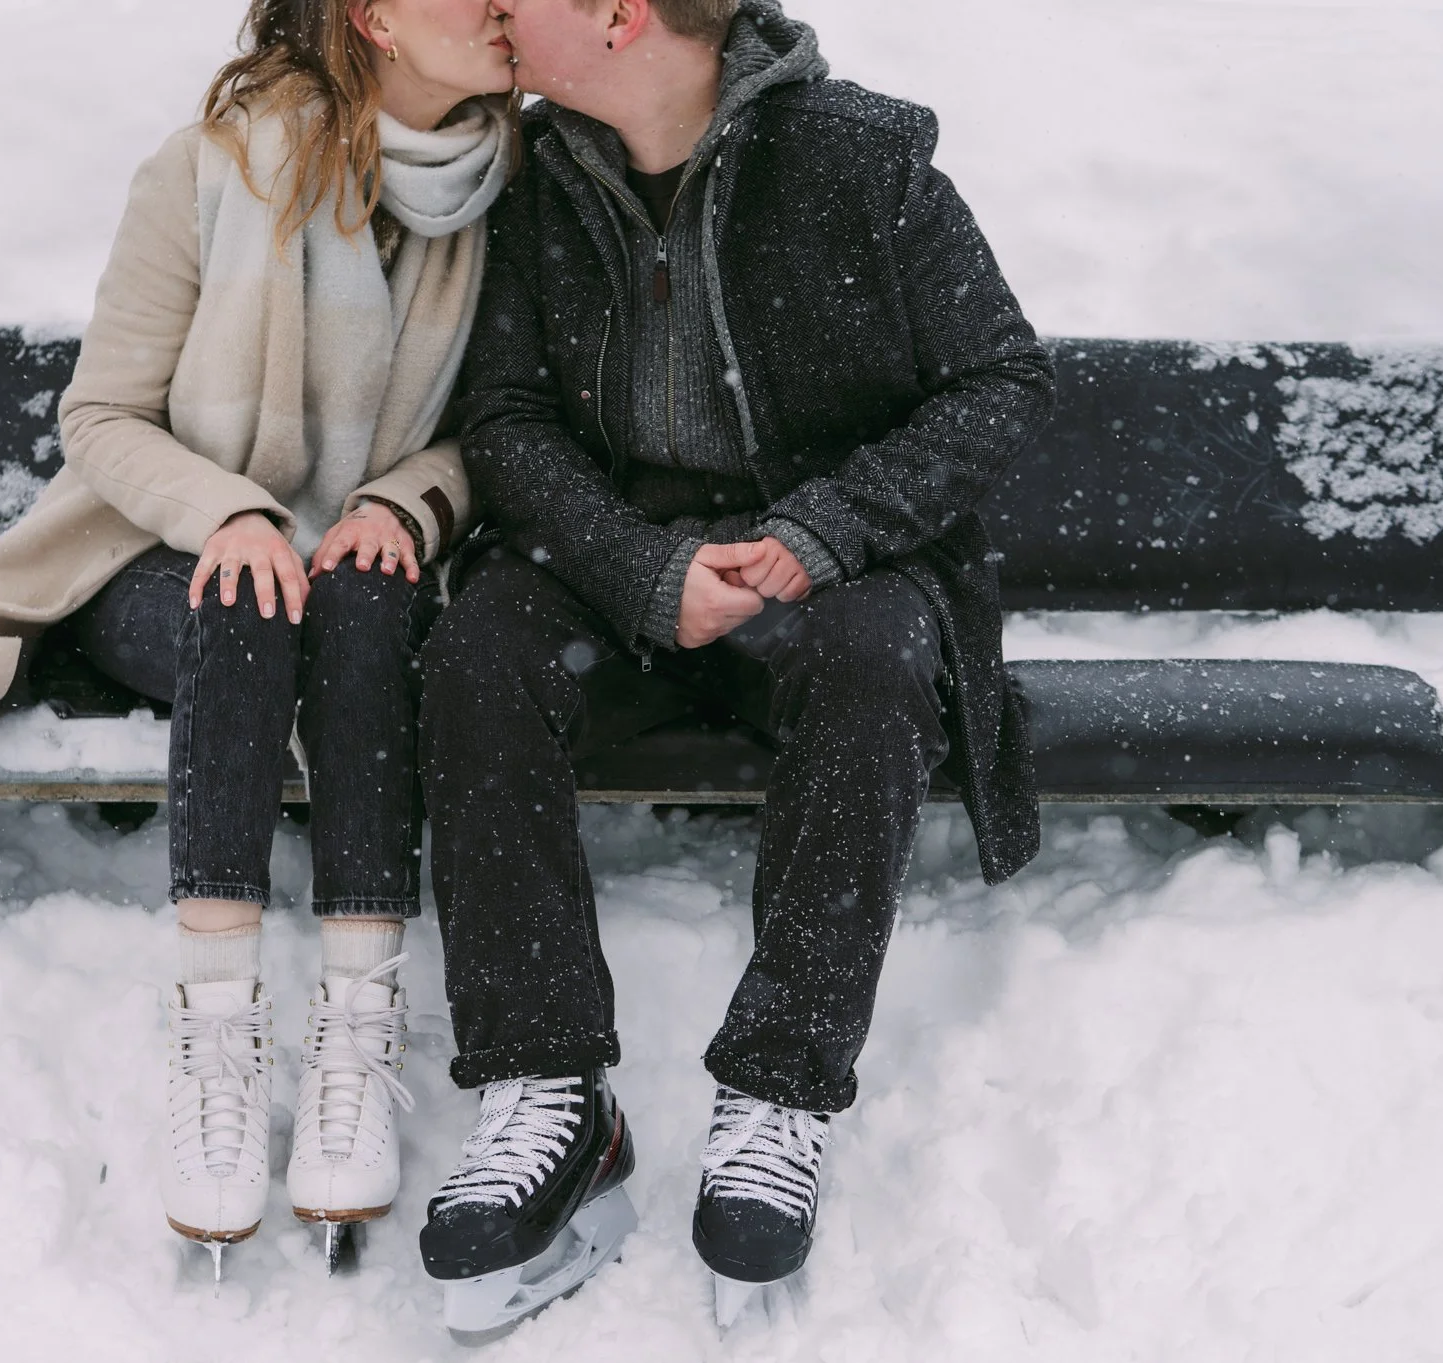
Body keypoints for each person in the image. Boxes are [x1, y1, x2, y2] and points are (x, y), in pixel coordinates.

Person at [411, 0, 1055, 1332]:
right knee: (477, 643)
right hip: (624, 578)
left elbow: (1000, 382)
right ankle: (546, 1087)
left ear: (616, 13)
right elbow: (510, 420)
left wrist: (824, 530)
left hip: (822, 579)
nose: (490, 13)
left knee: (879, 654)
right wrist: (637, 565)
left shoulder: (858, 160)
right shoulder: (532, 182)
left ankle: (780, 1091)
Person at [0, 0, 518, 1273]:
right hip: (163, 561)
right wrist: (230, 509)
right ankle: (218, 1039)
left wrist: (407, 497)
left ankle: (357, 1024)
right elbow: (106, 417)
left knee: (350, 594)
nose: (506, 8)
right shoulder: (208, 170)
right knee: (247, 599)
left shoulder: (512, 193)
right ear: (379, 18)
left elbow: (511, 425)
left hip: (367, 568)